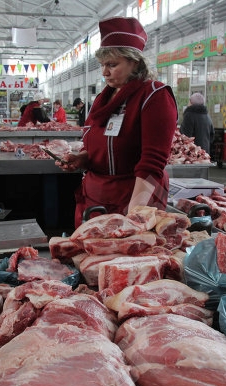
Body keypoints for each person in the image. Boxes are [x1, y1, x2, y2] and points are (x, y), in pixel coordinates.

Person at [56, 16, 177, 228]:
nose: (105, 72)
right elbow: (103, 144)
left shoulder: (154, 95)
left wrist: (135, 216)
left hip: (135, 196)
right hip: (97, 196)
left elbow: (153, 163)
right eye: (102, 65)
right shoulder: (104, 98)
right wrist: (83, 158)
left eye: (112, 65)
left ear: (135, 62)